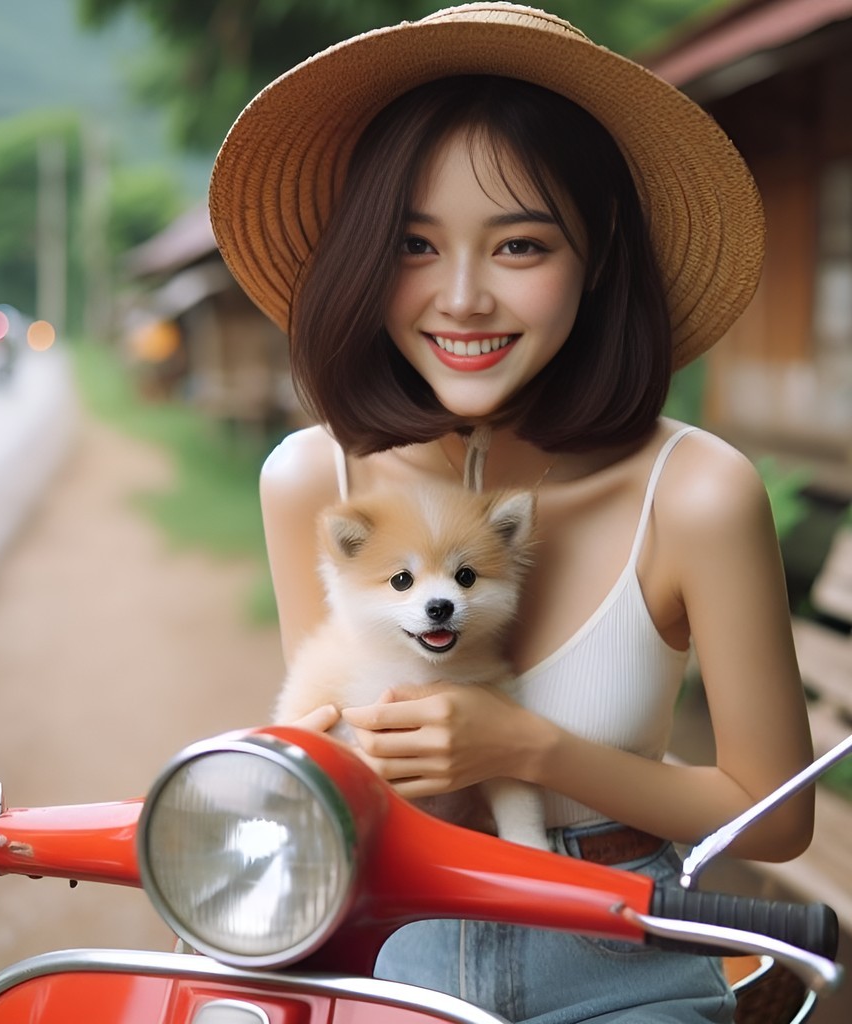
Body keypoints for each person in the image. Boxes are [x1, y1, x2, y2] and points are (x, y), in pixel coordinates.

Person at [208, 5, 815, 1021]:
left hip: (622, 963)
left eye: (520, 247)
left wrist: (527, 750)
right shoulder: (317, 480)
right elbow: (331, 739)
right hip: (381, 953)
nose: (461, 298)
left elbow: (777, 817)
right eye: (412, 243)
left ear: (598, 252)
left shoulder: (694, 491)